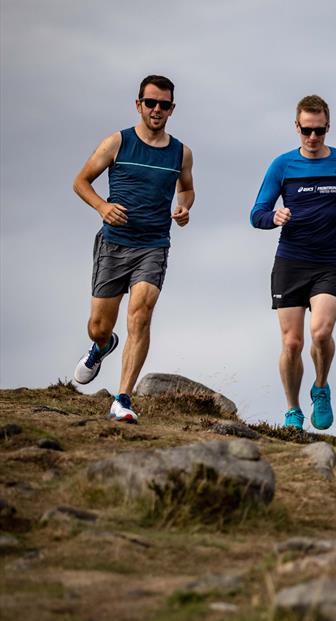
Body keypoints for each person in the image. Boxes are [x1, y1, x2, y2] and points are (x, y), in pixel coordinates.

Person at [250, 95, 336, 431]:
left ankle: (320, 387)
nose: (312, 137)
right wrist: (274, 216)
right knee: (292, 343)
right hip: (291, 262)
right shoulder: (282, 165)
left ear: (328, 127)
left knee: (320, 333)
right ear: (297, 126)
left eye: (319, 131)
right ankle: (293, 408)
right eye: (306, 130)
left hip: (330, 262)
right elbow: (256, 214)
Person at [71, 74, 195, 423]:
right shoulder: (117, 142)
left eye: (164, 105)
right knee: (99, 325)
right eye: (151, 103)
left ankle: (122, 399)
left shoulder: (180, 153)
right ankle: (101, 346)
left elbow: (186, 189)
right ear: (138, 104)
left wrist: (184, 207)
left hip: (153, 245)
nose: (157, 110)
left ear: (172, 109)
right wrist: (101, 206)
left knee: (140, 314)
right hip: (114, 244)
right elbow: (80, 182)